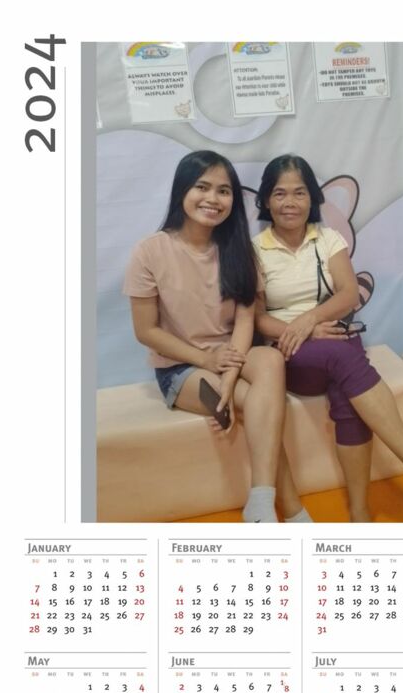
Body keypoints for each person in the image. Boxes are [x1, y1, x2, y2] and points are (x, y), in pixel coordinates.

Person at [253, 154, 403, 523]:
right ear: (265, 199)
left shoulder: (327, 239)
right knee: (342, 356)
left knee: (347, 390)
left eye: (299, 193)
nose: (289, 202)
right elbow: (258, 318)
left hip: (331, 334)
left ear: (312, 198)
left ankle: (360, 513)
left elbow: (347, 294)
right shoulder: (254, 249)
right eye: (280, 194)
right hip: (290, 352)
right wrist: (300, 330)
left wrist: (311, 319)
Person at [124, 149, 309, 524]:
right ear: (182, 190)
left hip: (233, 355)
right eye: (202, 187)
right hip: (181, 366)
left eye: (223, 191)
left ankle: (260, 500)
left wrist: (228, 374)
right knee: (256, 406)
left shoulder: (239, 249)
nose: (213, 198)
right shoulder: (150, 251)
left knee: (270, 358)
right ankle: (288, 509)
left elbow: (245, 321)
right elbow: (146, 331)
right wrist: (207, 361)